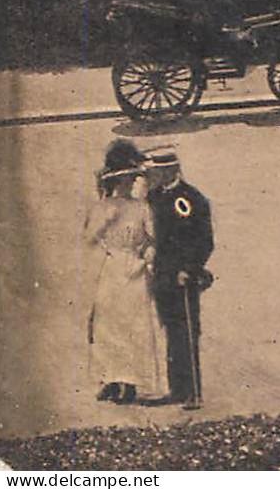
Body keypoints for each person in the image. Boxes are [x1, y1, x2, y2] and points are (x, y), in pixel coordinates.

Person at [85, 140, 164, 405]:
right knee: (108, 325)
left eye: (131, 179)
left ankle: (129, 382)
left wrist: (147, 260)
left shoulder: (141, 208)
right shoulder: (103, 207)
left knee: (132, 326)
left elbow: (152, 240)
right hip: (111, 267)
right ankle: (110, 378)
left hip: (134, 267)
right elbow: (89, 239)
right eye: (125, 180)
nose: (129, 184)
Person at [144, 150, 213, 409]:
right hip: (162, 275)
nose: (153, 176)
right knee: (172, 331)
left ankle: (194, 393)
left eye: (158, 172)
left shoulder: (188, 199)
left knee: (187, 332)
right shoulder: (155, 197)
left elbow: (202, 240)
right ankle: (177, 389)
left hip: (184, 277)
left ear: (171, 171)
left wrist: (189, 268)